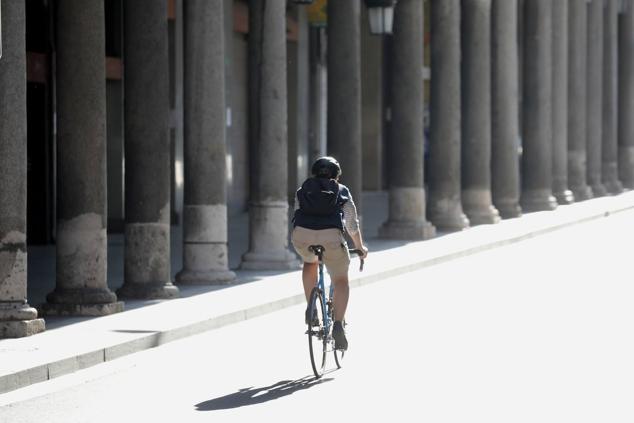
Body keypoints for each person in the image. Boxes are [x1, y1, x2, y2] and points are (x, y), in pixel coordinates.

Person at [291, 156, 368, 351]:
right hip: (331, 238)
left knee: (310, 263)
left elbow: (296, 214)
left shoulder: (302, 189)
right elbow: (351, 223)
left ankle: (311, 305)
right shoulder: (341, 190)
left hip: (302, 236)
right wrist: (360, 247)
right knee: (341, 280)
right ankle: (338, 325)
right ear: (337, 175)